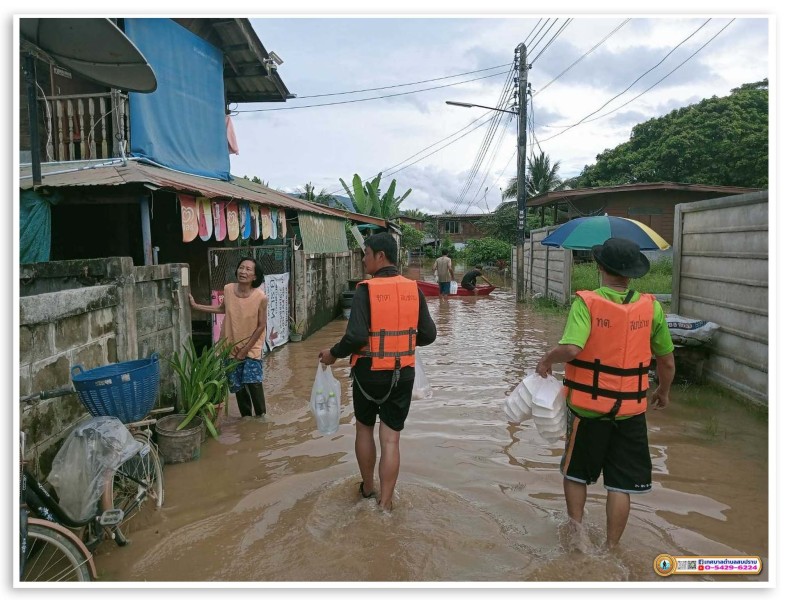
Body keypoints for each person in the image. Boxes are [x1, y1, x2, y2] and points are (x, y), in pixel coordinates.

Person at [535, 237, 675, 549]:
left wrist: (546, 359)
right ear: (634, 272)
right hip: (631, 410)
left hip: (587, 410)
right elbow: (666, 360)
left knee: (575, 475)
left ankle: (577, 535)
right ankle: (611, 548)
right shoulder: (652, 307)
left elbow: (572, 348)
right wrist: (663, 392)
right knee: (620, 484)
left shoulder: (587, 303)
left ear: (600, 267)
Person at [318, 232, 437, 511]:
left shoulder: (365, 290)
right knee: (391, 438)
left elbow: (356, 336)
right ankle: (386, 503)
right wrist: (402, 342)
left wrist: (332, 354)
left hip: (369, 373)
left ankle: (368, 489)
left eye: (366, 254)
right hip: (403, 372)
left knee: (364, 429)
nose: (363, 259)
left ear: (380, 256)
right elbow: (429, 334)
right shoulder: (414, 289)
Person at [190, 257, 269, 418]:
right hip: (230, 346)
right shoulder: (228, 289)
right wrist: (196, 306)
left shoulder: (261, 297)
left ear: (255, 276)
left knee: (253, 382)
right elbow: (221, 309)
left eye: (248, 269)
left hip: (252, 347)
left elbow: (261, 326)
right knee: (237, 386)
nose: (243, 271)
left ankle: (261, 417)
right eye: (241, 267)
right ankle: (246, 419)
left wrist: (245, 349)